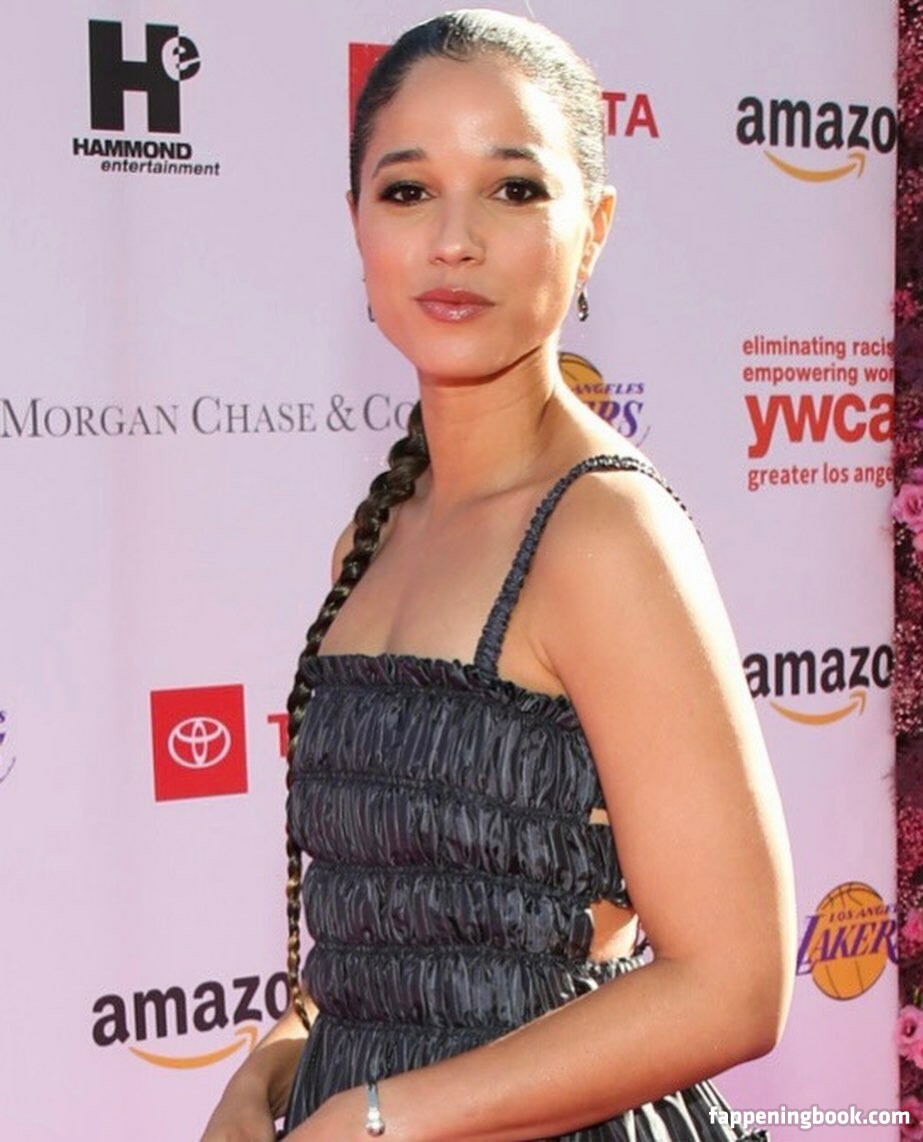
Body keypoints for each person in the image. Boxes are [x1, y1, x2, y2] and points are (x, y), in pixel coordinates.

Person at [201, 9, 796, 1140]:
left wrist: (378, 1118)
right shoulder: (376, 532)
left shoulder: (603, 534)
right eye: (407, 190)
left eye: (513, 190)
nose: (453, 240)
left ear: (593, 229)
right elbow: (383, 938)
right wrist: (270, 1070)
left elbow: (734, 983)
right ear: (355, 222)